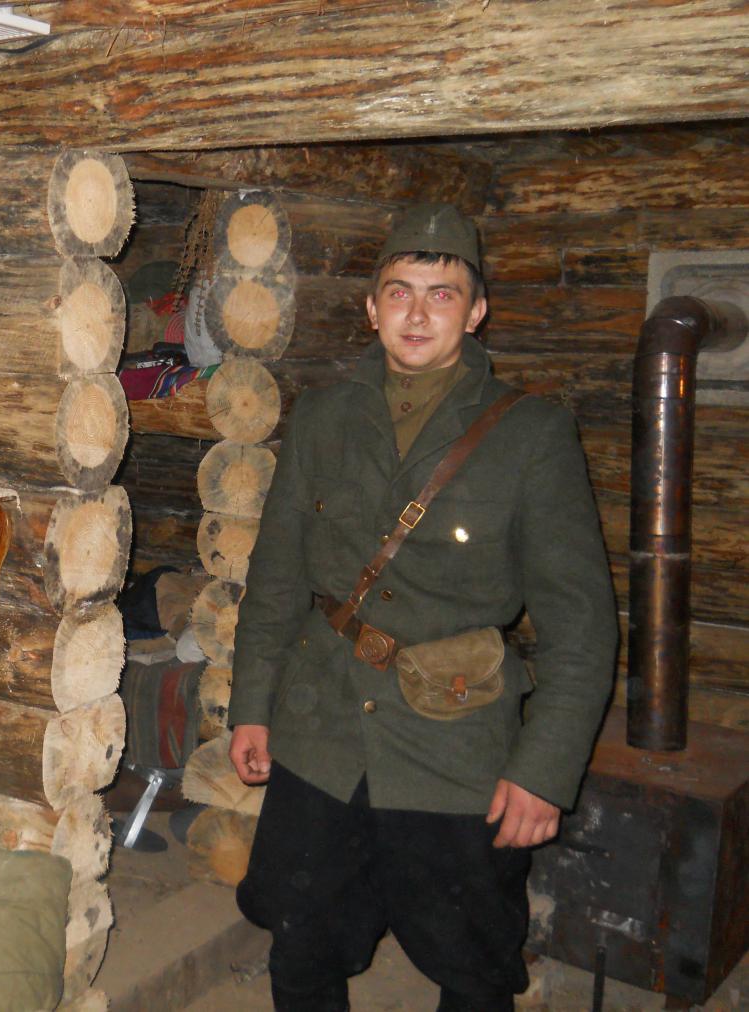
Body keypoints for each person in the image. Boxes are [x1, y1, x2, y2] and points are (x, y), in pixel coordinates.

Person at [228, 203, 617, 1012]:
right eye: (398, 292)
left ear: (475, 312)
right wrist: (251, 707)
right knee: (300, 942)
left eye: (441, 295)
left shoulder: (531, 434)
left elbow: (579, 627)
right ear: (370, 308)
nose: (415, 314)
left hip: (454, 738)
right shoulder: (324, 417)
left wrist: (542, 772)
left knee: (469, 964)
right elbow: (276, 577)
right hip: (322, 722)